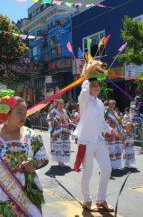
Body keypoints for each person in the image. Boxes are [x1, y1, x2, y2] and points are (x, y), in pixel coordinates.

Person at [73, 58, 115, 212]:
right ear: (89, 86)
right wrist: (89, 72)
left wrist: (110, 131)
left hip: (98, 140)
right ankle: (87, 200)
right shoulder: (84, 100)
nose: (96, 87)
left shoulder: (98, 102)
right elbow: (84, 89)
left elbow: (101, 121)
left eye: (98, 85)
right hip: (85, 141)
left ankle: (101, 199)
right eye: (94, 85)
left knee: (107, 168)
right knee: (88, 172)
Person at [47, 99, 71, 167]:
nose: (61, 105)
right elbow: (48, 119)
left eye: (62, 104)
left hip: (65, 132)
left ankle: (62, 161)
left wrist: (68, 127)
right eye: (60, 104)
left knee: (64, 146)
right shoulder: (53, 112)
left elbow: (67, 120)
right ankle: (60, 161)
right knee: (58, 147)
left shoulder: (65, 111)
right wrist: (54, 122)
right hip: (56, 133)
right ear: (57, 104)